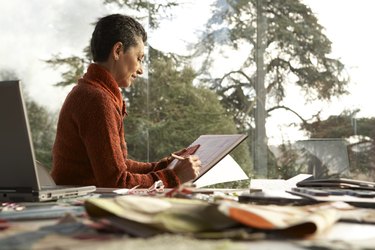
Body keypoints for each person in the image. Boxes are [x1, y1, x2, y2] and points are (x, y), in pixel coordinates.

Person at [51, 14, 201, 188]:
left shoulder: (90, 92)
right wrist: (173, 177)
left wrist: (163, 166)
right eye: (139, 58)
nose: (140, 70)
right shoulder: (97, 99)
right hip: (80, 202)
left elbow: (117, 164)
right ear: (117, 51)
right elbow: (116, 180)